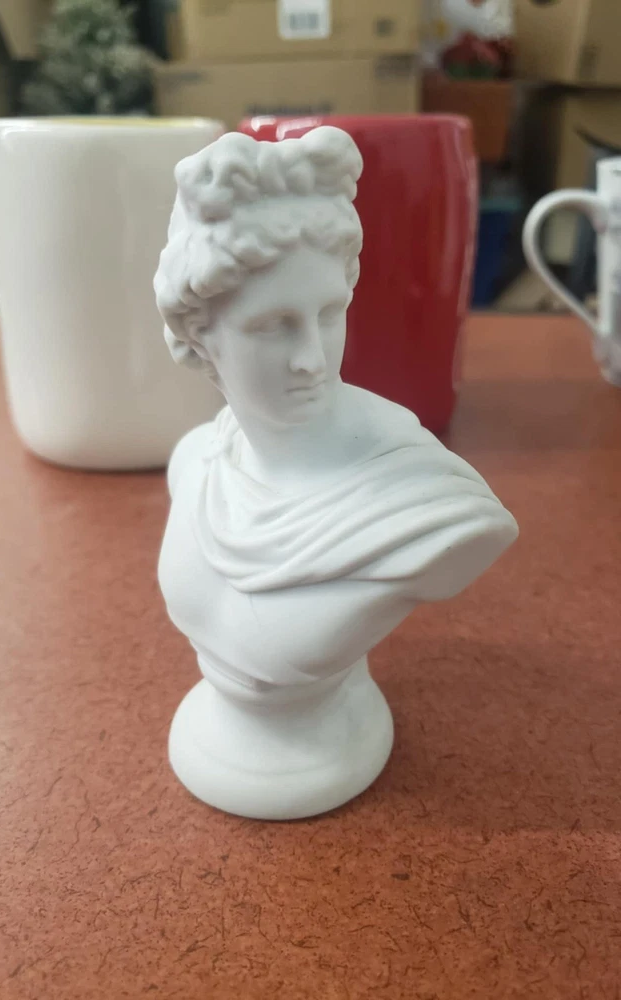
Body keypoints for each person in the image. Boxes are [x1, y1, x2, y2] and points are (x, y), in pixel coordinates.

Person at [153, 127, 518, 818]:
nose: (311, 359)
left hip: (335, 740)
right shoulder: (197, 462)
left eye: (327, 315)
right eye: (273, 325)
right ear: (201, 337)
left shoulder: (429, 504)